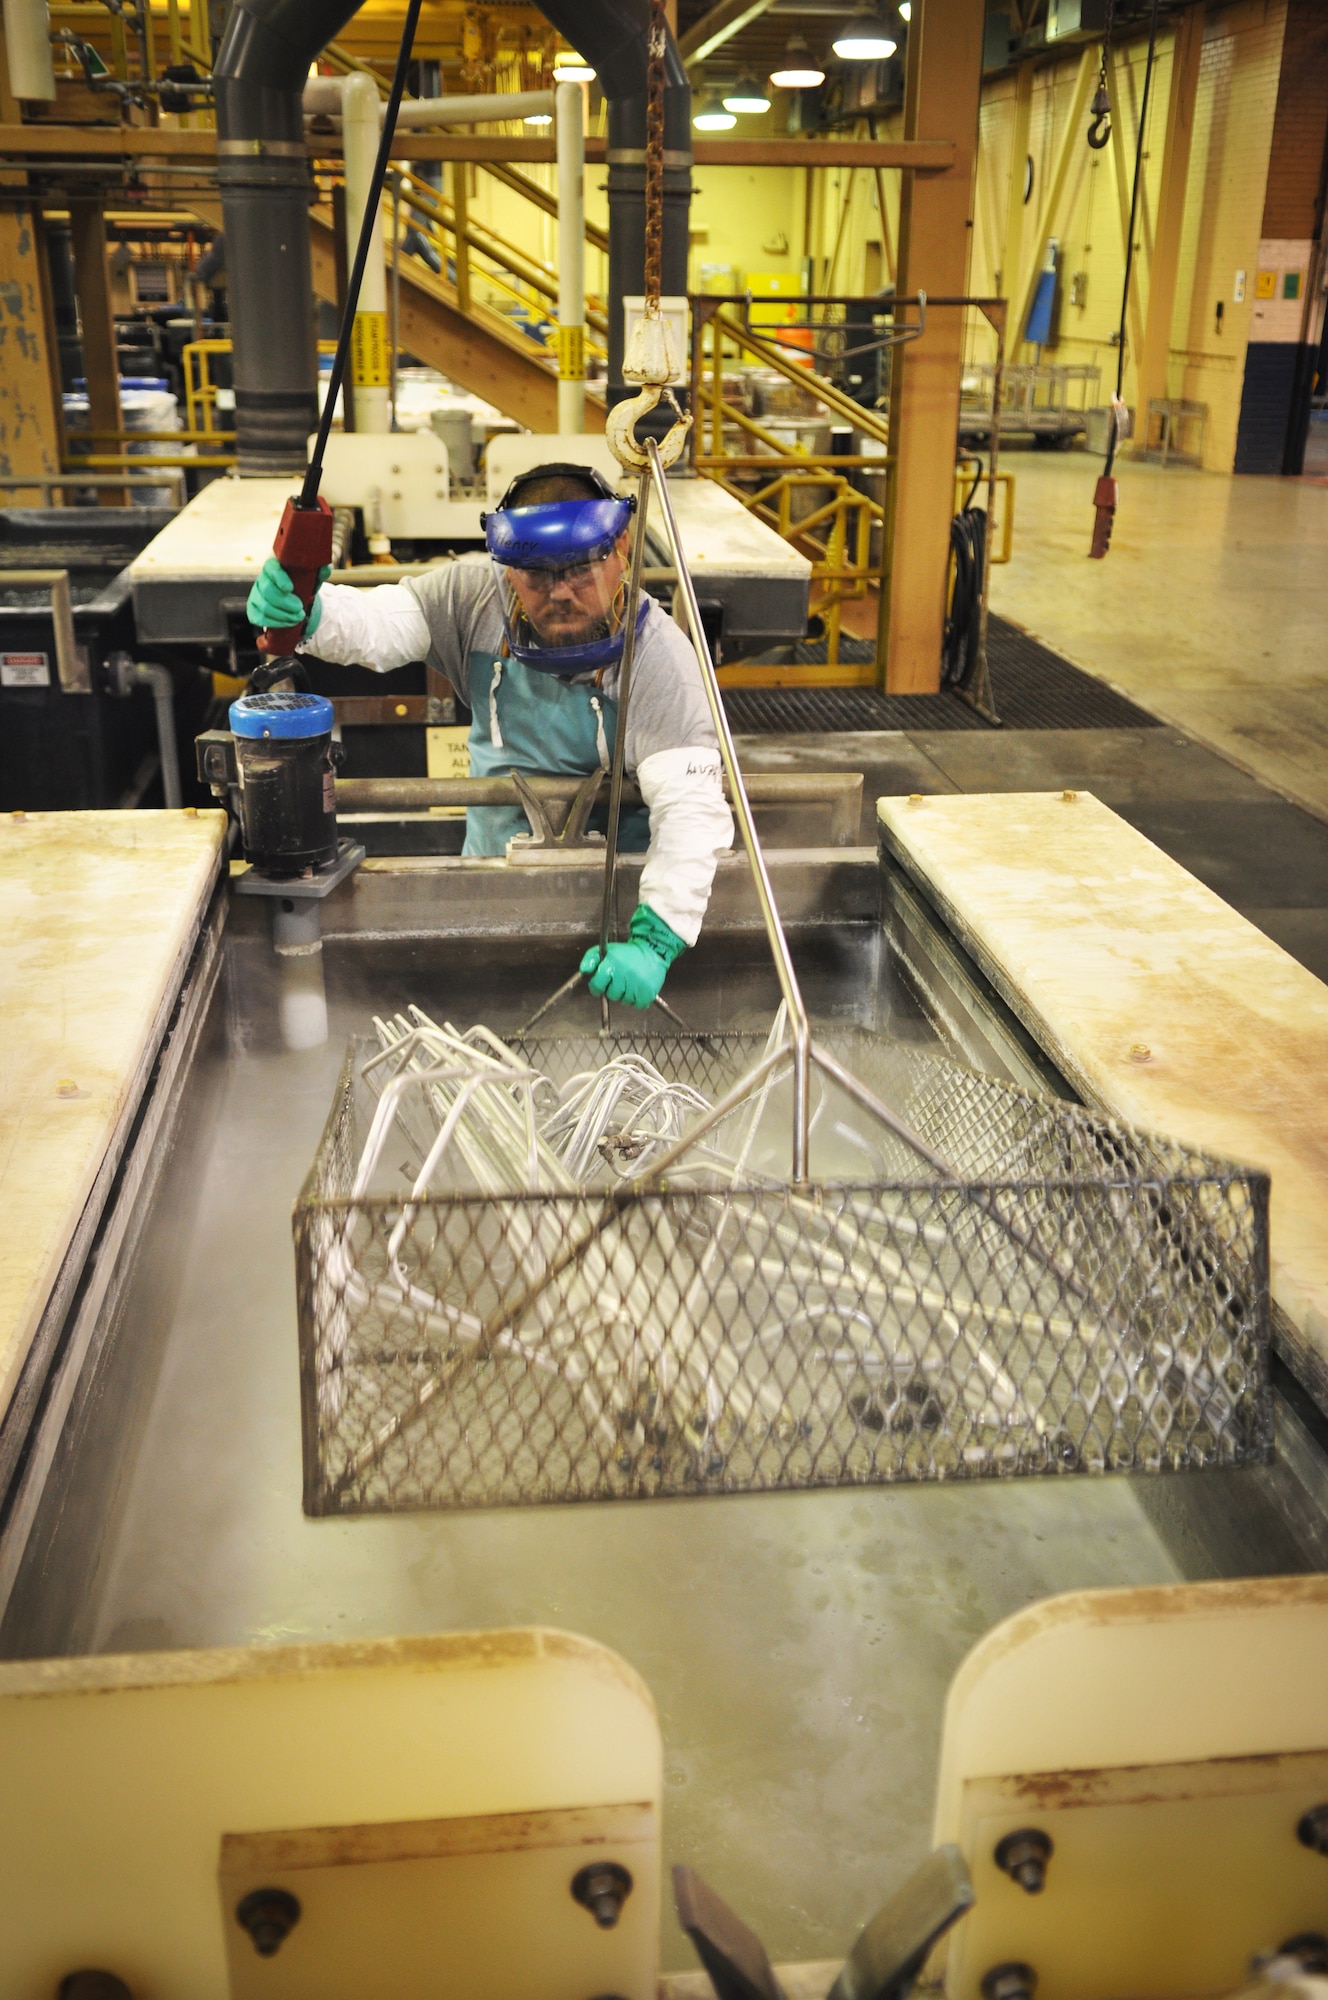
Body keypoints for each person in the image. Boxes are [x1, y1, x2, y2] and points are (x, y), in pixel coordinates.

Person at [246, 463, 733, 1010]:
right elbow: (381, 622)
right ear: (505, 569)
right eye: (535, 575)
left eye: (579, 570)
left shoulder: (660, 659)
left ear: (620, 549)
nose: (561, 593)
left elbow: (690, 810)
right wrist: (311, 612)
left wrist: (655, 940)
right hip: (486, 888)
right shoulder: (473, 599)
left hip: (611, 917)